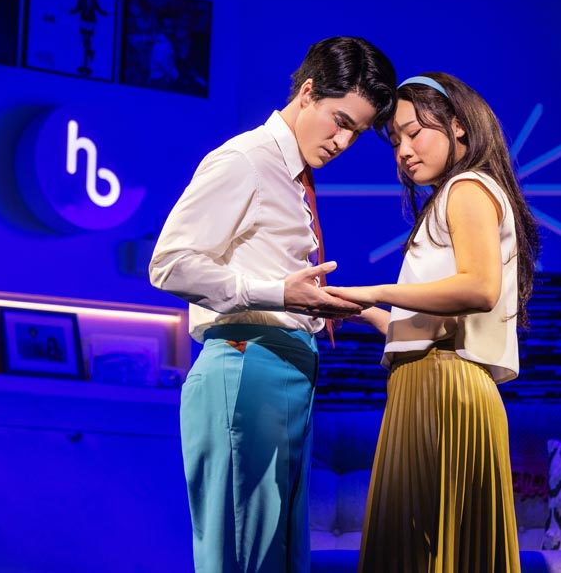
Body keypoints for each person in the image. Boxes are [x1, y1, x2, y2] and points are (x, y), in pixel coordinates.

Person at [149, 36, 396, 573]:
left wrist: (367, 311)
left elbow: (286, 282)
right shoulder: (246, 160)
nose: (343, 141)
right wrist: (279, 292)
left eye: (356, 132)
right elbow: (169, 263)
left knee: (277, 559)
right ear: (307, 93)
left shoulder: (293, 177)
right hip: (246, 363)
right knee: (243, 555)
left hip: (286, 369)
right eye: (340, 121)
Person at [323, 72, 539, 573]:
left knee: (422, 551)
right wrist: (358, 308)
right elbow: (431, 325)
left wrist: (376, 290)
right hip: (434, 380)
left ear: (457, 125)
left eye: (414, 132)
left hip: (441, 386)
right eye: (395, 141)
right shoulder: (456, 193)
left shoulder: (466, 187)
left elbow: (479, 288)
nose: (403, 151)